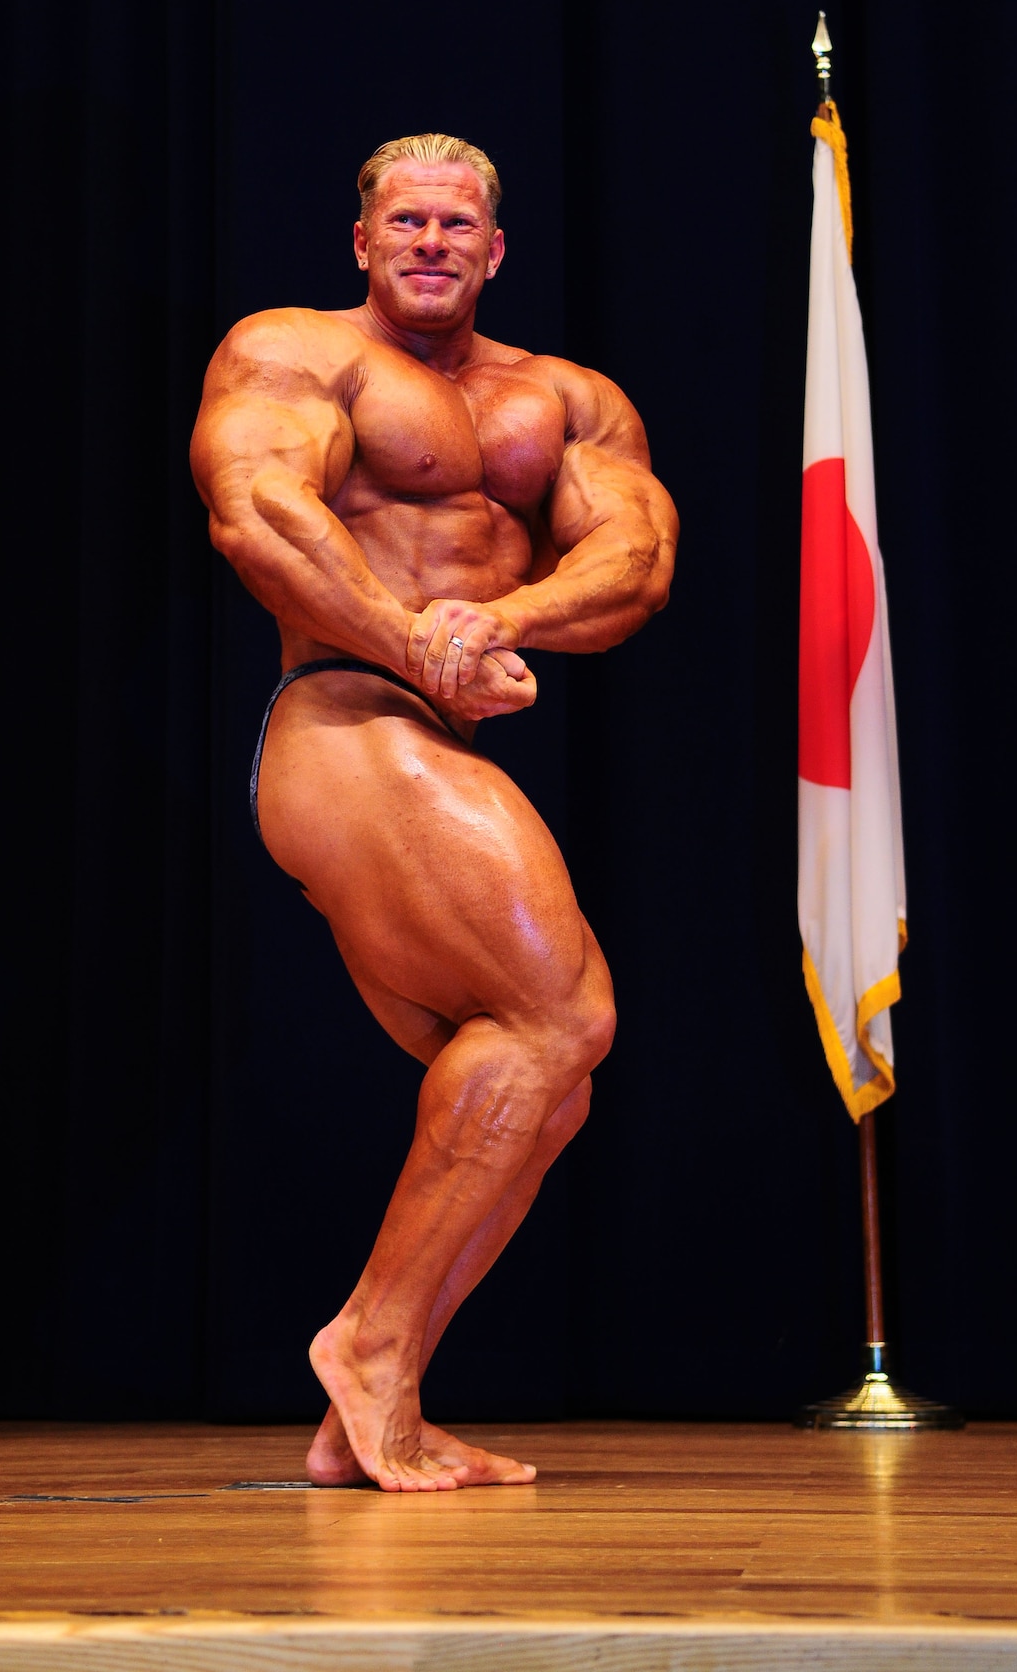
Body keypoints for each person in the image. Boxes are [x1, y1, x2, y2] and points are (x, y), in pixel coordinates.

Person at [190, 133, 677, 1492]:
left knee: (544, 1085)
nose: (429, 242)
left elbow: (634, 563)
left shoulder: (565, 402)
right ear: (360, 242)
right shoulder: (298, 353)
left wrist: (503, 619)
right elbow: (256, 513)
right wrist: (420, 646)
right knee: (561, 1016)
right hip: (342, 718)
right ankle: (369, 1344)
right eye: (403, 221)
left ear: (496, 248)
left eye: (456, 224)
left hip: (435, 723)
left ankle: (371, 1413)